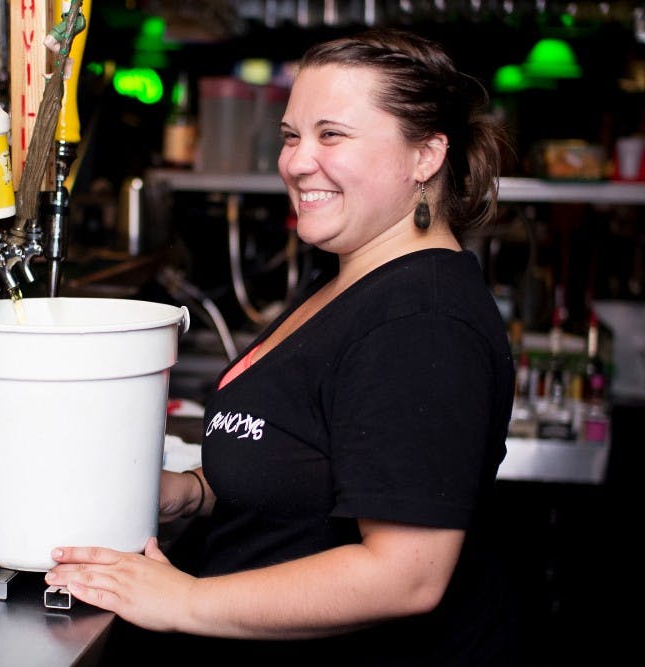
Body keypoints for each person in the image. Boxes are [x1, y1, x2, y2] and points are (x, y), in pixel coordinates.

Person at [46, 27, 517, 665]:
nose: (296, 162)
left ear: (425, 155)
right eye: (292, 136)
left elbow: (406, 575)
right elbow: (306, 462)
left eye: (332, 134)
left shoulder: (421, 319)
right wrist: (195, 489)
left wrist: (181, 600)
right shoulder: (352, 279)